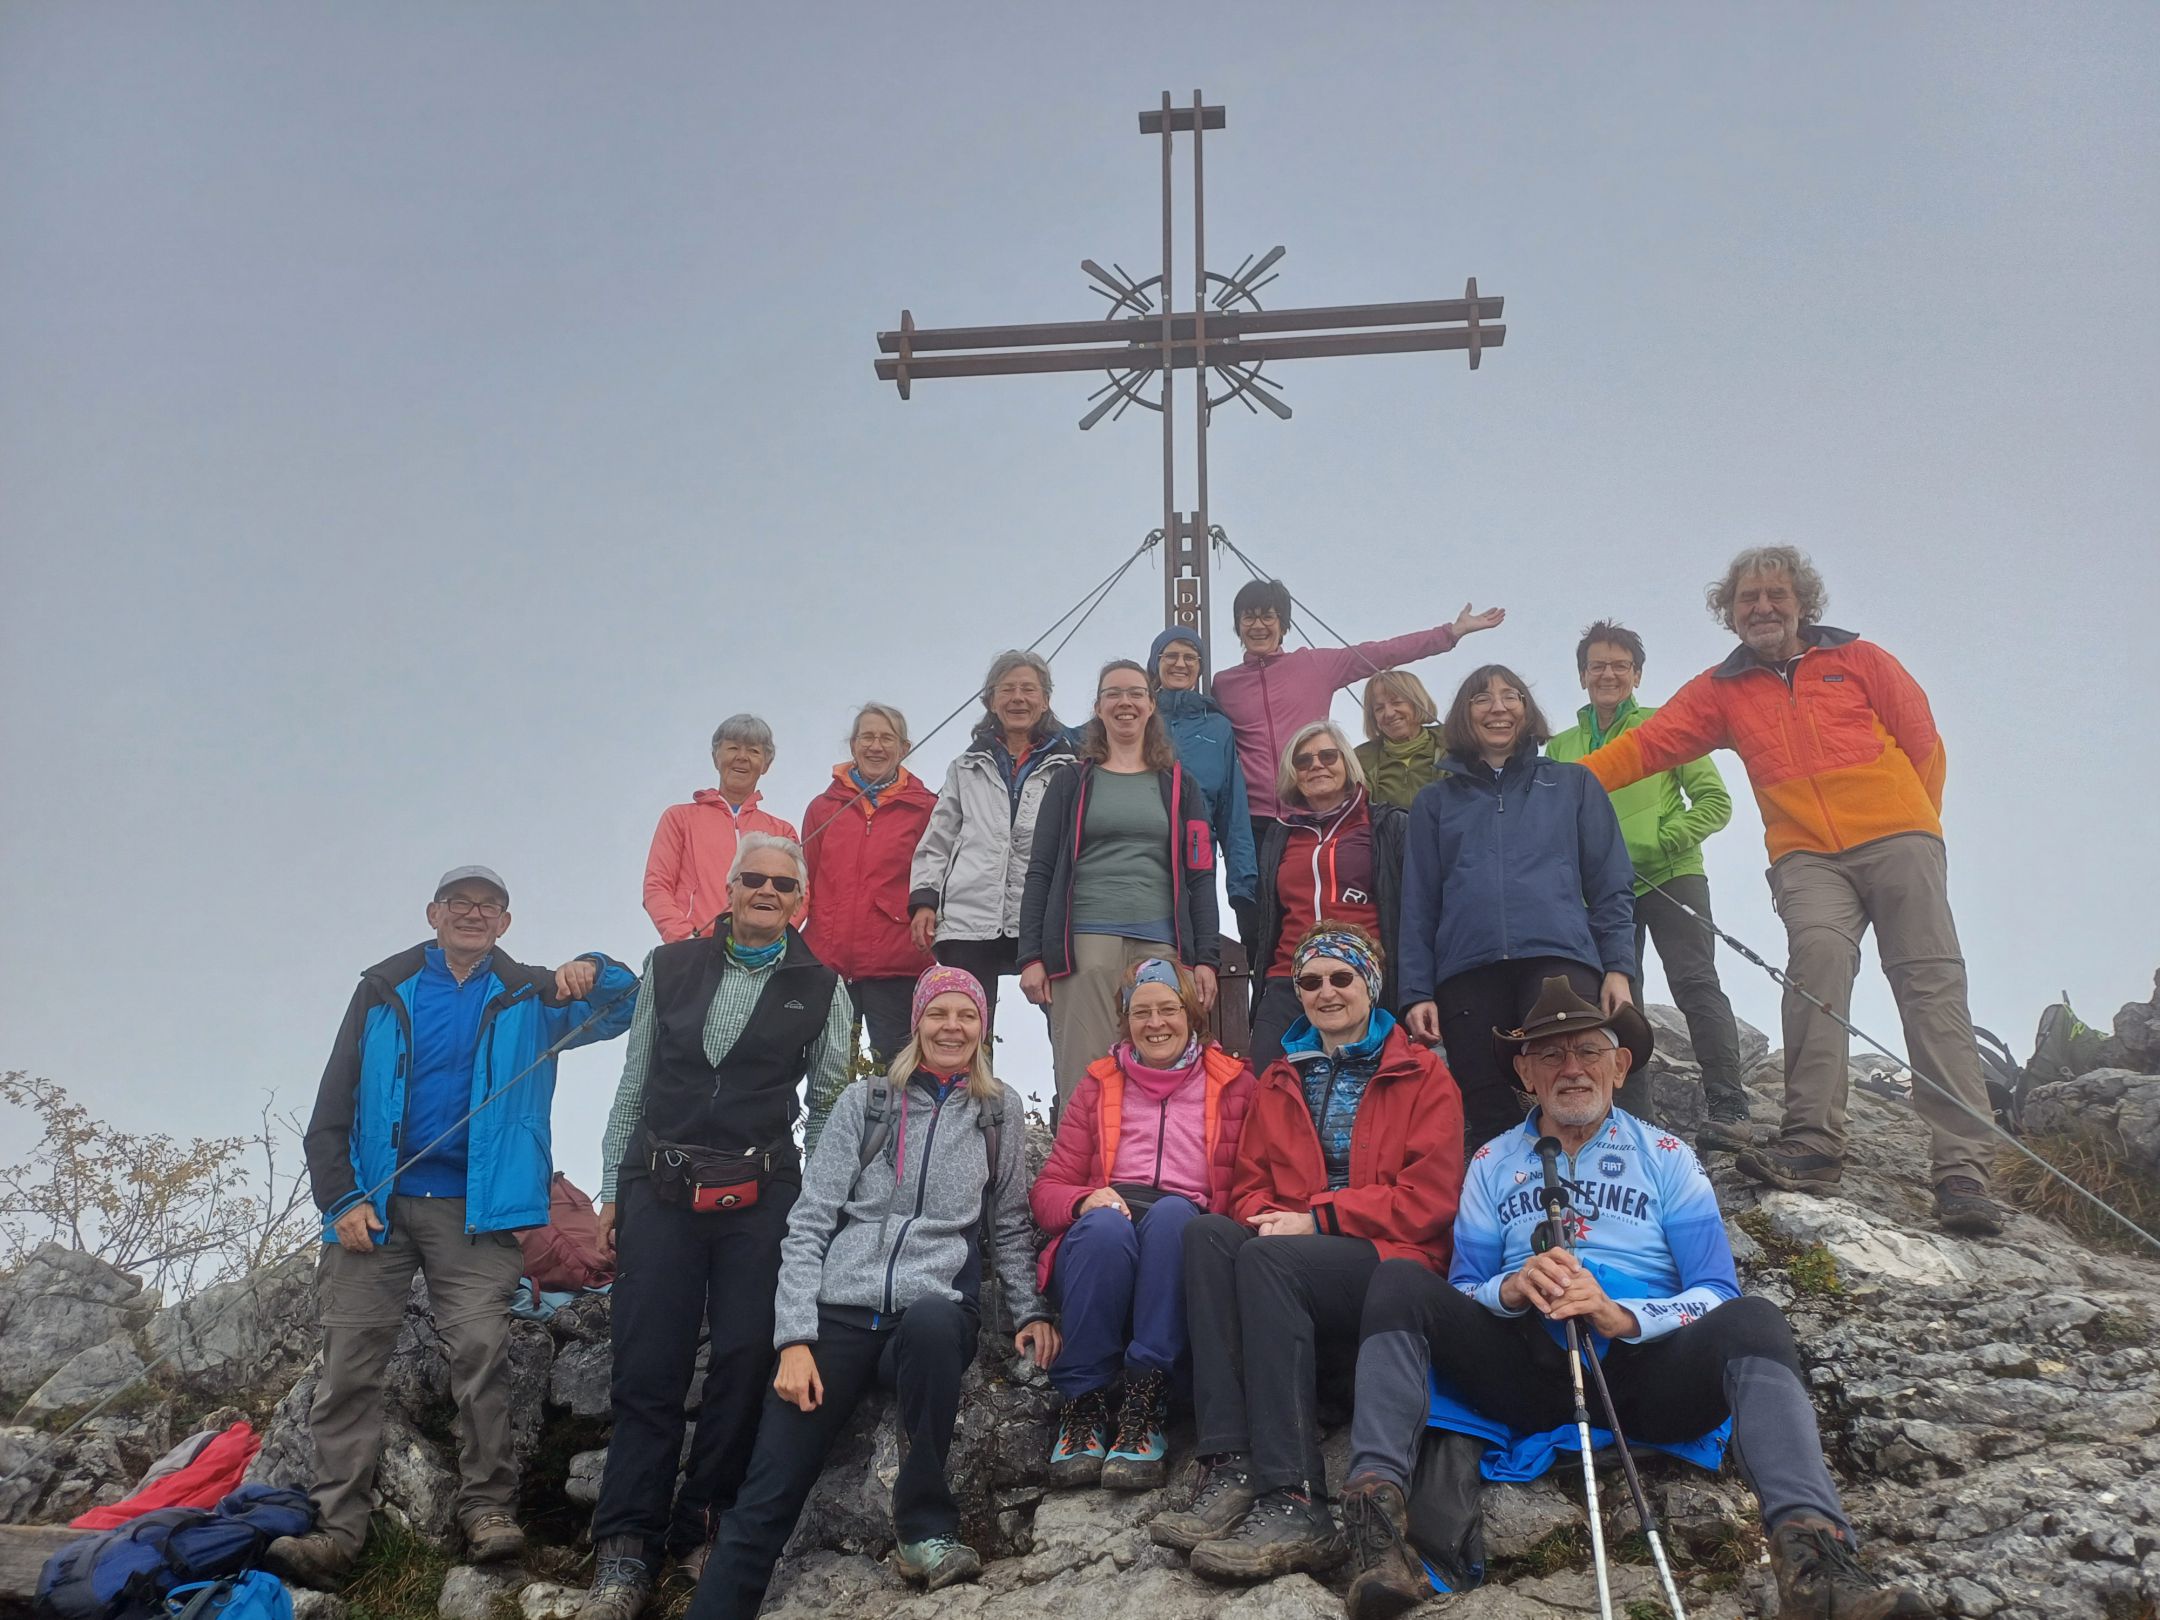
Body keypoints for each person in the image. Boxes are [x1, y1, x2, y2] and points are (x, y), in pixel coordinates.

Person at [1336, 977, 1928, 1620]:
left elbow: (1717, 1290)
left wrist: (1623, 1316)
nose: (1571, 1068)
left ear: (1619, 1066)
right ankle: (1379, 1538)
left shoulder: (1668, 1157)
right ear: (1526, 1074)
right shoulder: (1490, 1163)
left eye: (1588, 1051)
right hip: (1521, 1369)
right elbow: (1460, 1290)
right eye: (1550, 1055)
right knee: (1398, 1281)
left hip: (1644, 1375)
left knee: (1755, 1320)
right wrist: (1510, 1288)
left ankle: (1817, 1563)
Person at [1574, 546, 2003, 1236]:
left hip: (1900, 839)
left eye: (1776, 594)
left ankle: (1963, 1172)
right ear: (1730, 612)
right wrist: (1556, 785)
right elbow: (1646, 747)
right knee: (1815, 967)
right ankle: (1812, 1143)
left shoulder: (1860, 659)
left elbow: (1923, 740)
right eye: (1747, 598)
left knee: (1931, 989)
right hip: (1805, 856)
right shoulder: (1722, 689)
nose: (1763, 607)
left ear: (1803, 602)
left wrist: (1916, 825)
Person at [268, 867, 636, 1588]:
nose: (474, 913)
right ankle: (336, 1533)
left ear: (506, 922)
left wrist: (597, 966)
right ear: (433, 913)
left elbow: (625, 1005)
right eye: (460, 903)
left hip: (479, 1209)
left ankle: (488, 1512)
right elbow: (332, 1106)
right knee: (347, 1370)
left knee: (482, 1356)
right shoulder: (383, 989)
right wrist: (340, 1200)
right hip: (374, 1209)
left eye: (489, 905)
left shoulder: (534, 994)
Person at [688, 966, 1060, 1619]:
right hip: (837, 1317)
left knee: (935, 1324)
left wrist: (1029, 1310)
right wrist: (794, 1340)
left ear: (982, 1027)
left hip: (929, 1311)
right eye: (938, 1013)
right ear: (917, 1022)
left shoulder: (997, 1112)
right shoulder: (867, 1103)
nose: (951, 1027)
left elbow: (1008, 1224)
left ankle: (925, 1531)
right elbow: (809, 1222)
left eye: (966, 1015)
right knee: (767, 1496)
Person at [579, 835, 854, 1620]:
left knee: (744, 1355)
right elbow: (634, 1084)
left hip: (763, 1192)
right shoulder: (668, 967)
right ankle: (626, 1546)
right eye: (753, 879)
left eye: (784, 884)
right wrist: (611, 1190)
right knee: (648, 1362)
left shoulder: (823, 986)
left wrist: (819, 1209)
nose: (768, 891)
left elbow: (829, 1106)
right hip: (658, 1185)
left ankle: (703, 1523)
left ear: (800, 901)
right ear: (728, 891)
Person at [1151, 925, 1462, 1585]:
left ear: (1370, 985)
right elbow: (1248, 1185)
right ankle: (1230, 1461)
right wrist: (1271, 1220)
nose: (1326, 992)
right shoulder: (1279, 1079)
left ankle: (1295, 1500)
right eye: (1311, 982)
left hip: (1390, 1260)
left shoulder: (1423, 1072)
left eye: (1342, 978)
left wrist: (1319, 1218)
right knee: (1208, 1237)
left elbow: (1430, 1199)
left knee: (1268, 1261)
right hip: (1296, 1252)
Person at [1030, 958, 1257, 1491]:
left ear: (1191, 1013)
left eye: (1168, 1009)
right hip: (1108, 1231)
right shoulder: (1098, 1084)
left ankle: (1146, 1401)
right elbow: (1047, 1190)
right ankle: (1083, 1404)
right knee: (1105, 1227)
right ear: (1126, 1020)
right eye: (1141, 1012)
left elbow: (1253, 1181)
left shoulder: (1235, 1085)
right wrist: (1084, 1199)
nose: (1156, 1023)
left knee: (1176, 1216)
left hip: (1185, 1231)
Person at [1399, 665, 1637, 1154]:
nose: (1498, 708)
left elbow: (1611, 884)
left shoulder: (1573, 784)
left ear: (1526, 711)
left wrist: (1618, 967)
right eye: (1482, 699)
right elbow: (1418, 902)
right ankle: (1509, 1195)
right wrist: (1416, 992)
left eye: (1511, 696)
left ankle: (1590, 1192)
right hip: (1467, 968)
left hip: (1560, 957)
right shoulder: (1434, 802)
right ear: (1464, 714)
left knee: (1571, 1085)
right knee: (1486, 1106)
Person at [1547, 621, 1750, 1142]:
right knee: (1618, 998)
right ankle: (1634, 1115)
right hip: (1601, 891)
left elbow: (1715, 801)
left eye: (1620, 665)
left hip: (1671, 874)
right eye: (1597, 666)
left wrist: (1663, 840)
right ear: (1582, 676)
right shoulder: (1561, 748)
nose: (1608, 674)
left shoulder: (1665, 725)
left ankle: (1729, 1103)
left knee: (1695, 980)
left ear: (1636, 675)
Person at [1018, 659, 1222, 1109]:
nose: (1124, 702)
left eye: (1135, 693)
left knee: (1162, 1072)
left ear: (1151, 706)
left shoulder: (1181, 787)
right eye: (1113, 693)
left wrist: (1206, 958)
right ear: (1098, 707)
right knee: (1084, 1079)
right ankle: (1084, 1157)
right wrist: (1031, 955)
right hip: (1084, 946)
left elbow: (1201, 875)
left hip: (1163, 945)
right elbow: (1041, 871)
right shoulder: (1070, 782)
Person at [1211, 577, 1504, 845]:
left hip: (1314, 811)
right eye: (1248, 617)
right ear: (1238, 625)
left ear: (1284, 625)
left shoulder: (1315, 666)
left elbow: (1382, 652)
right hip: (1251, 821)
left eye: (1268, 616)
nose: (1258, 625)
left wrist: (1450, 633)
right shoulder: (1224, 685)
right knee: (1253, 890)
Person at [908, 650, 1078, 1037]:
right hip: (968, 918)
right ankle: (966, 1082)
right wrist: (924, 900)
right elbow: (939, 838)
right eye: (1007, 689)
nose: (1018, 698)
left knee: (1065, 1024)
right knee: (963, 1028)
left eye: (1028, 689)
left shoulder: (1070, 768)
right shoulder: (965, 766)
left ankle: (1072, 1082)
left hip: (1041, 916)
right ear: (990, 700)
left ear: (1045, 700)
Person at [1248, 721, 1409, 1071]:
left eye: (1327, 756)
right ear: (1293, 774)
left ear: (1347, 762)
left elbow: (1413, 909)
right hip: (1290, 977)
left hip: (1362, 975)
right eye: (1303, 761)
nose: (1316, 765)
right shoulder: (1280, 835)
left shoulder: (1386, 825)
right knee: (1267, 1080)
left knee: (1367, 1086)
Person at [800, 702, 936, 1064]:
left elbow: (935, 878)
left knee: (898, 1071)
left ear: (904, 748)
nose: (876, 746)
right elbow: (805, 881)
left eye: (887, 738)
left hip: (897, 963)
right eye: (867, 737)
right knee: (826, 1070)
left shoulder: (927, 808)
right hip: (827, 964)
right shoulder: (823, 808)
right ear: (853, 745)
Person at [644, 715, 802, 944]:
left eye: (753, 751)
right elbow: (657, 885)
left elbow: (800, 894)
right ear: (715, 757)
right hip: (695, 948)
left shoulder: (782, 830)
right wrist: (684, 938)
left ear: (766, 765)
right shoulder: (679, 818)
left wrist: (772, 940)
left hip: (760, 953)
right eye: (733, 748)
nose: (742, 757)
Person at [1148, 625, 1259, 934]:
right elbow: (1082, 739)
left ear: (1199, 667)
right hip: (1140, 857)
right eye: (1171, 656)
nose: (1180, 664)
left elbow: (1232, 808)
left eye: (1190, 657)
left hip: (1197, 859)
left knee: (1198, 949)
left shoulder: (1218, 727)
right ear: (1155, 663)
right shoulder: (1136, 716)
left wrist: (1242, 882)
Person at [1353, 669, 1446, 810]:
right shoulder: (1360, 760)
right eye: (1379, 708)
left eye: (1397, 702)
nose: (1389, 713)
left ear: (1417, 702)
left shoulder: (1454, 743)